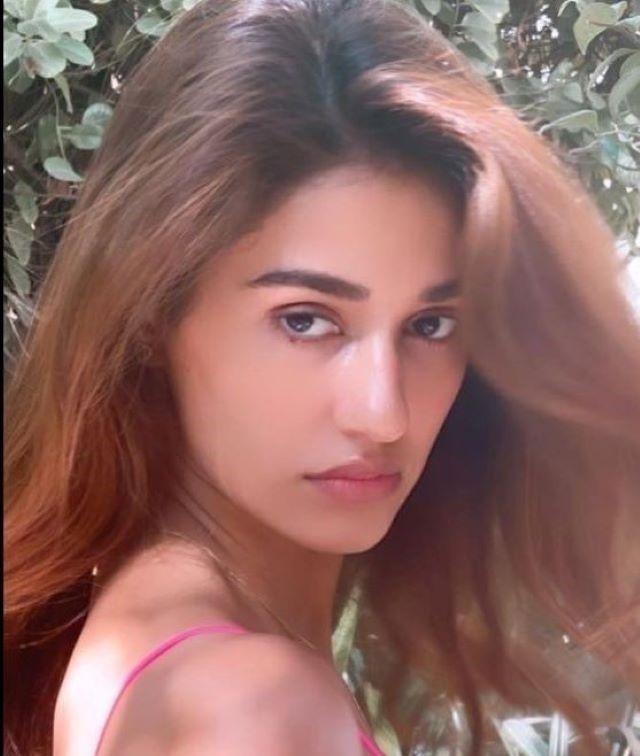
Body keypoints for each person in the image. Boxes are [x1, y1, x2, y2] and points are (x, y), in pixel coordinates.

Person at [4, 0, 640, 754]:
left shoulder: (155, 648)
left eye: (431, 325)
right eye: (305, 320)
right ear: (149, 317)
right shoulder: (251, 711)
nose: (383, 414)